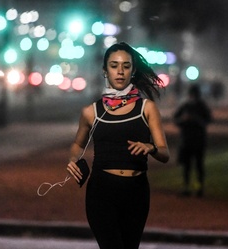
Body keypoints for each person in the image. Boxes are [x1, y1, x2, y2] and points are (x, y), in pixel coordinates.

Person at [66, 42, 170, 249]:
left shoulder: (147, 108)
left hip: (136, 192)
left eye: (126, 66)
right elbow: (78, 144)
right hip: (102, 192)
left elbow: (165, 153)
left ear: (133, 71)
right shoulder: (91, 112)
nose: (120, 71)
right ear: (105, 71)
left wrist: (151, 147)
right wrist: (73, 160)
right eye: (114, 66)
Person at [173, 84, 212, 197]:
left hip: (198, 140)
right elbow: (176, 119)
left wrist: (196, 119)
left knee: (199, 165)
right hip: (187, 140)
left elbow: (208, 120)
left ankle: (199, 188)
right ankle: (186, 187)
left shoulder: (201, 106)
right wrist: (183, 120)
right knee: (187, 166)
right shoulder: (185, 106)